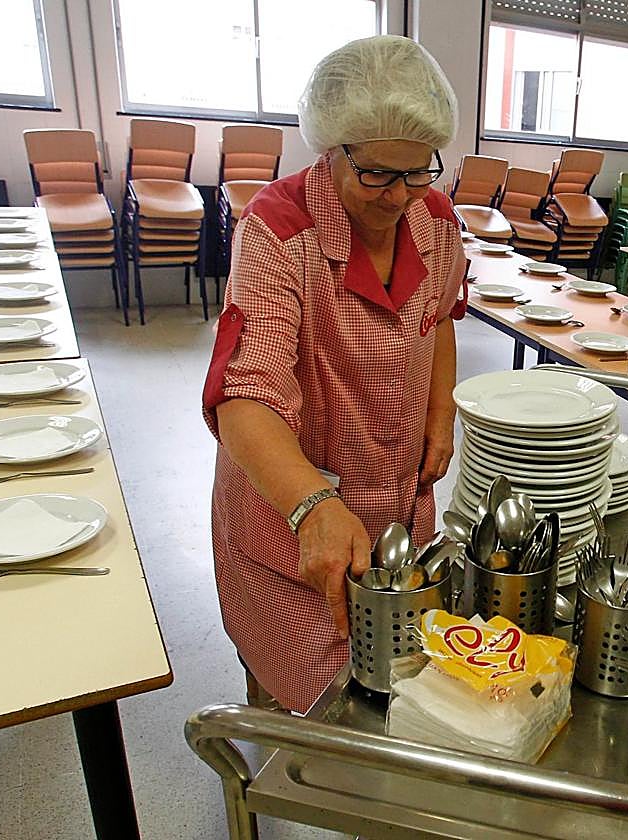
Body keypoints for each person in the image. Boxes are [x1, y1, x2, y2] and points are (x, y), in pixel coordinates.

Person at [202, 35, 466, 713]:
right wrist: (311, 504)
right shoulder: (278, 229)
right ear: (331, 147)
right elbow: (244, 395)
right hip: (286, 511)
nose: (399, 196)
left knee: (400, 689)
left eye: (418, 172)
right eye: (377, 174)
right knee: (312, 697)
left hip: (393, 499)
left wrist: (440, 415)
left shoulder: (436, 220)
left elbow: (439, 316)